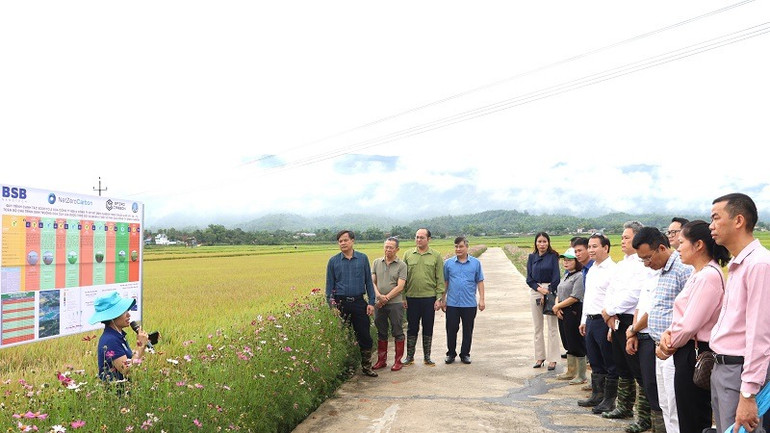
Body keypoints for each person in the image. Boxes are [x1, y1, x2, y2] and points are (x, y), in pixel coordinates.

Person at [655, 220, 730, 433]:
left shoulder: (707, 277)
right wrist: (669, 334)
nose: (677, 248)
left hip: (694, 352)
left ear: (698, 245)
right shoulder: (698, 274)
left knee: (693, 417)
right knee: (687, 413)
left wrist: (668, 345)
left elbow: (689, 324)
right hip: (687, 348)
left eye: (681, 242)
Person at [707, 193, 770, 433]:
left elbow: (759, 333)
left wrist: (748, 392)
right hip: (723, 369)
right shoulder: (738, 265)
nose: (711, 226)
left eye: (716, 218)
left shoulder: (759, 264)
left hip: (739, 372)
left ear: (738, 220)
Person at [633, 227, 693, 432]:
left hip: (673, 348)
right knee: (665, 403)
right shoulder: (662, 270)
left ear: (661, 248)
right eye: (642, 260)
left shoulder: (683, 269)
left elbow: (690, 312)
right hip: (659, 347)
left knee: (675, 405)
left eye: (648, 258)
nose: (647, 264)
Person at [600, 221, 654, 431]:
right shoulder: (622, 264)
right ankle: (623, 406)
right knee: (623, 366)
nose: (622, 241)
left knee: (639, 371)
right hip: (616, 320)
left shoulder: (642, 265)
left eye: (627, 237)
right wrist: (608, 313)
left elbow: (634, 295)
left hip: (633, 320)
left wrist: (610, 310)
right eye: (622, 237)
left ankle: (644, 417)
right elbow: (611, 291)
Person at [325, 230, 378, 377]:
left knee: (365, 336)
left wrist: (371, 302)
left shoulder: (362, 259)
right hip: (341, 304)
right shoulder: (333, 261)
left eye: (345, 240)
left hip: (359, 302)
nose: (342, 243)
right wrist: (332, 306)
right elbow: (329, 286)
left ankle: (367, 367)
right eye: (340, 241)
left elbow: (369, 281)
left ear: (352, 241)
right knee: (343, 337)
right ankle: (346, 369)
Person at [578, 233, 618, 411]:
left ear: (606, 248)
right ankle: (597, 395)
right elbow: (588, 297)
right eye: (589, 246)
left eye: (595, 246)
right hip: (591, 319)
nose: (591, 250)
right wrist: (583, 319)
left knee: (608, 360)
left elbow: (615, 299)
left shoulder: (613, 270)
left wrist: (612, 326)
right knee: (594, 359)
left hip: (605, 321)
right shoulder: (591, 269)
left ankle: (609, 400)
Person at [402, 228, 445, 366]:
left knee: (428, 327)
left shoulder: (436, 256)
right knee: (412, 327)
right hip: (412, 298)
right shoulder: (408, 254)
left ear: (428, 239)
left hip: (429, 298)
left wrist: (439, 298)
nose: (418, 240)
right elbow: (403, 279)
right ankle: (410, 357)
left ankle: (427, 357)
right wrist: (403, 297)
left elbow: (440, 279)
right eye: (417, 237)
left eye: (422, 237)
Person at [441, 236, 485, 365]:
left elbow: (480, 281)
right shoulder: (448, 263)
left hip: (469, 303)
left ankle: (465, 354)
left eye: (461, 246)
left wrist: (482, 299)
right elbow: (446, 282)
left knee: (468, 329)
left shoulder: (475, 263)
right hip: (452, 303)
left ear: (467, 247)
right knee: (451, 329)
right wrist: (442, 299)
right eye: (456, 246)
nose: (458, 249)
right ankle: (451, 353)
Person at [89, 291, 148, 383]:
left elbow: (129, 359)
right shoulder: (110, 340)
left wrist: (143, 345)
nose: (129, 315)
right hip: (116, 393)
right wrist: (141, 346)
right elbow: (126, 370)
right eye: (123, 312)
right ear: (112, 317)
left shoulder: (118, 335)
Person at [371, 237, 408, 372]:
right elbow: (373, 282)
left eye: (391, 247)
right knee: (381, 331)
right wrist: (378, 297)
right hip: (379, 303)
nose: (388, 250)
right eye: (386, 247)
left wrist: (385, 298)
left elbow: (400, 286)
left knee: (397, 330)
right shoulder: (376, 262)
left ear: (397, 249)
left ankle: (398, 361)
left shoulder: (402, 265)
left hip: (395, 303)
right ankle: (381, 360)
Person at [526, 232, 561, 370]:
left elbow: (556, 277)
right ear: (535, 243)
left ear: (548, 242)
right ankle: (539, 357)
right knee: (537, 327)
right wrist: (539, 289)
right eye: (539, 241)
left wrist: (547, 292)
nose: (542, 244)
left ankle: (553, 359)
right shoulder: (531, 257)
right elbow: (529, 278)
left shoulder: (553, 257)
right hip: (536, 290)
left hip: (550, 291)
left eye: (544, 241)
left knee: (552, 326)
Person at [552, 247, 587, 385]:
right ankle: (570, 371)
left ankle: (581, 374)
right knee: (567, 341)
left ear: (577, 261)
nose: (565, 263)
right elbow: (559, 292)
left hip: (573, 311)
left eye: (569, 260)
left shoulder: (579, 276)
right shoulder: (566, 275)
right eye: (564, 260)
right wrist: (557, 306)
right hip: (562, 311)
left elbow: (575, 297)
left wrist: (558, 306)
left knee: (576, 341)